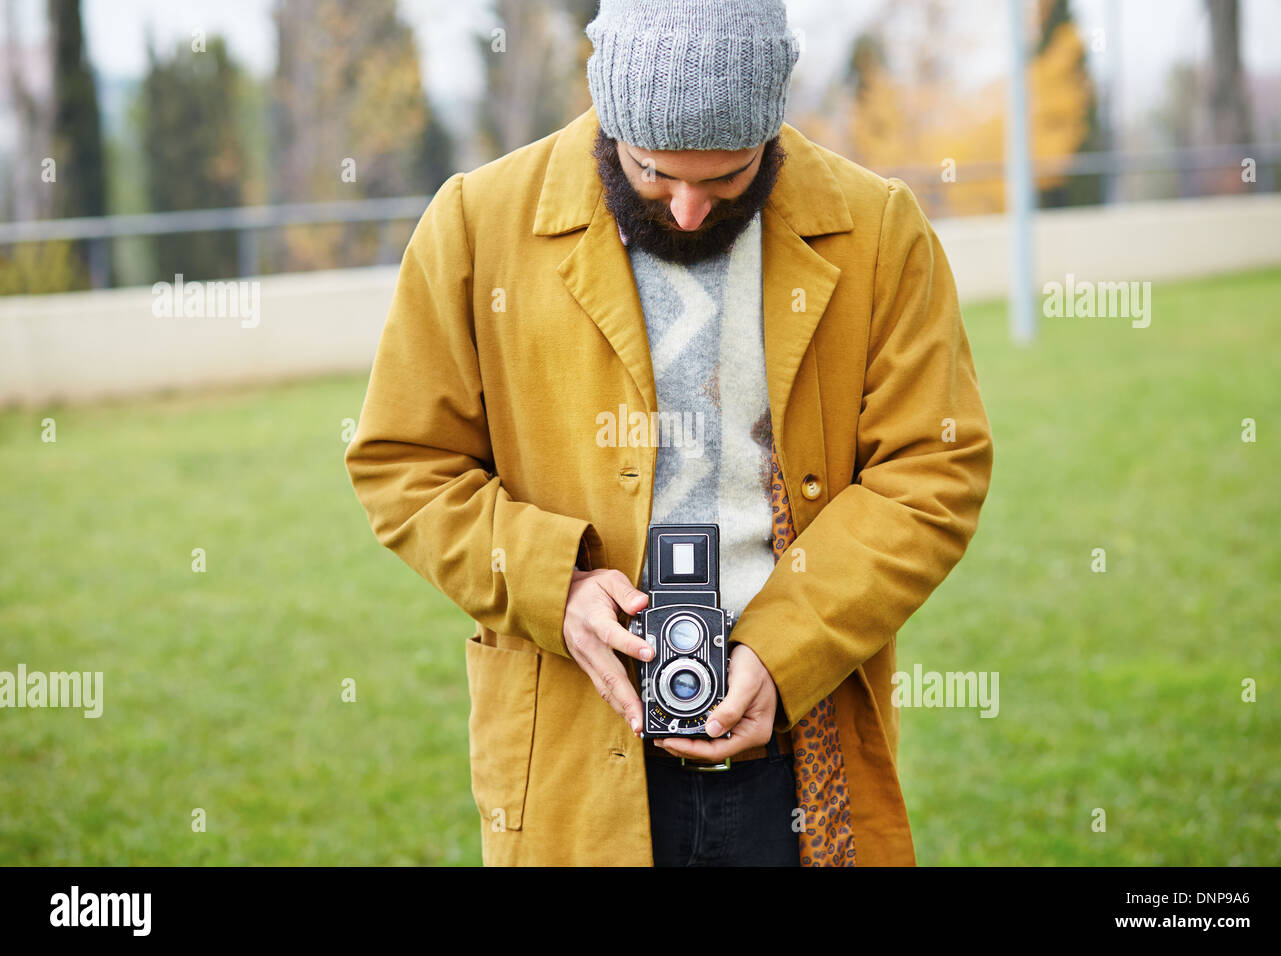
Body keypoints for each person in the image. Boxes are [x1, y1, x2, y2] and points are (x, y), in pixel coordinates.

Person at [345, 0, 993, 867]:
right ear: (608, 117)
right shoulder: (474, 226)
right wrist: (557, 588)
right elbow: (403, 462)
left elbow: (934, 469)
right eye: (654, 174)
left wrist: (783, 650)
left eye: (726, 180)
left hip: (796, 749)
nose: (689, 210)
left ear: (772, 127)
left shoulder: (881, 233)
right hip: (574, 752)